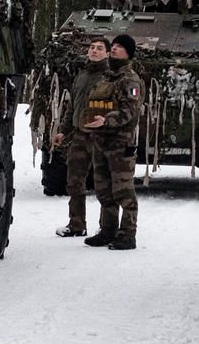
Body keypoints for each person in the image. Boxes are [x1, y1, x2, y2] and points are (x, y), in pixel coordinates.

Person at [80, 33, 143, 250]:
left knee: (123, 191)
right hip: (100, 141)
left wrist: (105, 120)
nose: (113, 49)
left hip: (120, 143)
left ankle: (127, 234)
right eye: (113, 46)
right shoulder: (106, 77)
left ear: (128, 52)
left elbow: (129, 111)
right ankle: (107, 230)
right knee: (103, 190)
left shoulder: (130, 79)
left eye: (118, 46)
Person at [54, 36, 110, 237]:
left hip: (101, 138)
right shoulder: (82, 75)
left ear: (107, 53)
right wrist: (63, 130)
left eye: (99, 48)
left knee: (104, 185)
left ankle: (107, 227)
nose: (94, 51)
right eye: (92, 48)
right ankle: (77, 224)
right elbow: (72, 107)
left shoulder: (111, 77)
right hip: (79, 137)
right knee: (74, 182)